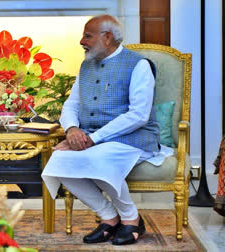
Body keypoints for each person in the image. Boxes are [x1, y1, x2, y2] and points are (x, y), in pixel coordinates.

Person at [42, 15, 172, 245]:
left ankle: (131, 219)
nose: (82, 41)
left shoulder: (138, 65)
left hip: (134, 138)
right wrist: (72, 130)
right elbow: (71, 104)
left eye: (88, 36)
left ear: (107, 37)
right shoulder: (86, 66)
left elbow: (138, 115)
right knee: (58, 159)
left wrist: (94, 139)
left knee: (100, 158)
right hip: (94, 139)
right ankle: (109, 217)